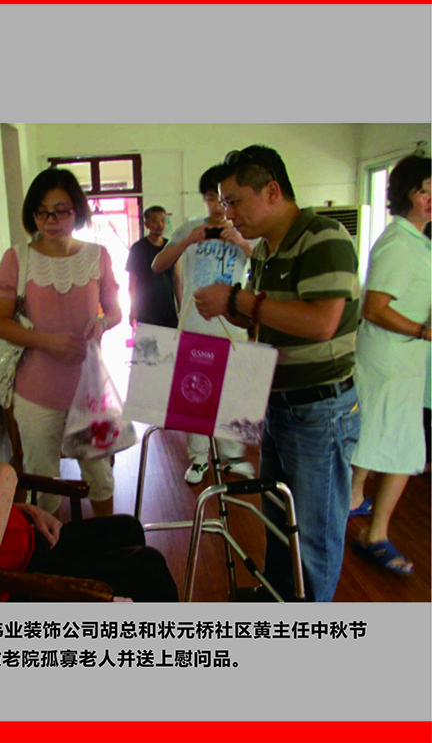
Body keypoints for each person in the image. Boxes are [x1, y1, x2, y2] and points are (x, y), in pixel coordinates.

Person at [0, 329, 179, 603]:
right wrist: (7, 478)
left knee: (126, 528)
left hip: (23, 548)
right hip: (14, 585)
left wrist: (23, 510)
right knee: (147, 566)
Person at [194, 145, 361, 602]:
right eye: (224, 203)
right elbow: (265, 317)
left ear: (271, 191)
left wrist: (237, 300)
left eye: (235, 201)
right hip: (279, 403)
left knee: (314, 534)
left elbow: (321, 323)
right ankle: (280, 600)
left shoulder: (323, 237)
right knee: (279, 518)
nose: (229, 213)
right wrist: (227, 306)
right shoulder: (267, 249)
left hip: (319, 408)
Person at [0, 168, 123, 517]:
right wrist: (47, 342)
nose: (51, 220)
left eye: (61, 211)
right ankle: (48, 544)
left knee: (100, 476)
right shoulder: (17, 258)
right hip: (36, 392)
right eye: (42, 212)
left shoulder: (97, 255)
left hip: (89, 390)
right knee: (42, 482)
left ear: (77, 211)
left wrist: (101, 322)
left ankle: (109, 542)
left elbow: (115, 311)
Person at [349, 155, 431, 575]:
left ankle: (353, 500)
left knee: (374, 437)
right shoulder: (400, 243)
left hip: (400, 363)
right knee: (403, 451)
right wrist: (423, 331)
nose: (431, 198)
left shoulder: (416, 241)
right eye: (425, 190)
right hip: (390, 362)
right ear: (406, 196)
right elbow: (375, 308)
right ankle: (374, 534)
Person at [152, 166, 255, 485]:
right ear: (205, 198)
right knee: (194, 393)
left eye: (224, 200)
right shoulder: (189, 227)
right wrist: (187, 241)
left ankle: (232, 456)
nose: (218, 206)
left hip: (233, 326)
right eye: (211, 198)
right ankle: (198, 458)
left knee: (232, 394)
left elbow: (265, 262)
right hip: (194, 325)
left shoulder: (246, 229)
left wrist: (241, 242)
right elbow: (157, 264)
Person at [125, 205, 182, 329]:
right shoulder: (137, 248)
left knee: (169, 341)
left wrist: (181, 306)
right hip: (146, 308)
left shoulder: (171, 246)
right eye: (155, 220)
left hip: (167, 308)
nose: (160, 224)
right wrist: (133, 308)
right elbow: (132, 282)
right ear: (146, 224)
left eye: (163, 220)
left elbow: (176, 278)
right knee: (147, 341)